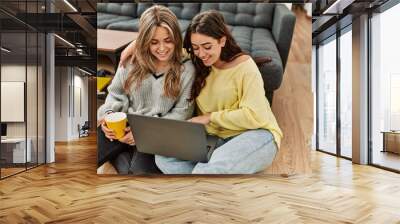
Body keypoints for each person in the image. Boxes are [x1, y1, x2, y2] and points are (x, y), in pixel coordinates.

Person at [120, 10, 283, 174]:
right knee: (163, 157)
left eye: (207, 47)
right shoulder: (198, 60)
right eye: (196, 48)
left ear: (222, 40)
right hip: (214, 138)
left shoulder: (245, 67)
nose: (202, 53)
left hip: (254, 134)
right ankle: (206, 178)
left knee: (208, 171)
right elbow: (166, 47)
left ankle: (205, 177)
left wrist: (210, 117)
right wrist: (134, 45)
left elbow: (256, 116)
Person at [97, 5, 195, 174]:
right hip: (123, 126)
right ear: (144, 41)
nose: (162, 48)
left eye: (168, 40)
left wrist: (143, 134)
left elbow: (181, 114)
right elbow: (115, 94)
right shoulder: (131, 61)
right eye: (154, 42)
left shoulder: (187, 69)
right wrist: (108, 116)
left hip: (156, 132)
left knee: (137, 171)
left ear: (176, 39)